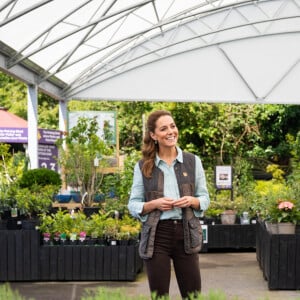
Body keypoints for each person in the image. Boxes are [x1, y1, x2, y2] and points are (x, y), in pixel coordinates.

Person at [128, 110, 210, 299]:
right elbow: (133, 204)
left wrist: (192, 201)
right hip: (157, 236)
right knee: (159, 296)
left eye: (172, 126)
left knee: (193, 295)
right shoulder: (143, 165)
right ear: (153, 135)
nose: (171, 131)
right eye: (164, 128)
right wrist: (153, 204)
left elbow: (205, 199)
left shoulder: (192, 161)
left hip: (186, 233)